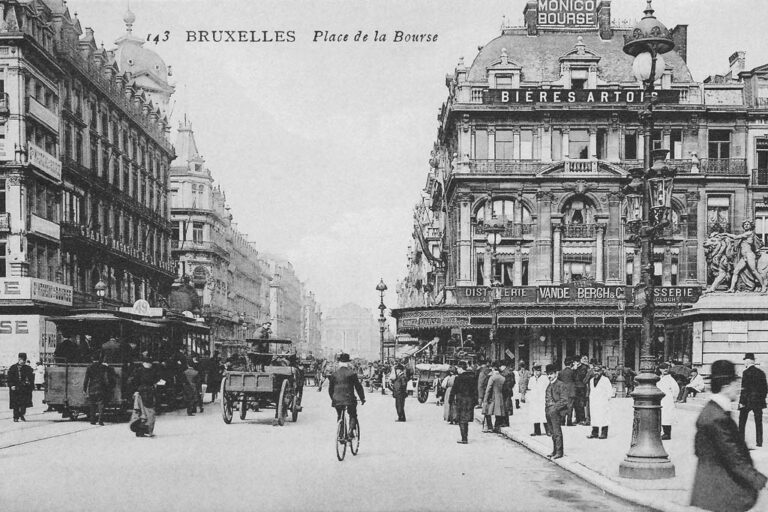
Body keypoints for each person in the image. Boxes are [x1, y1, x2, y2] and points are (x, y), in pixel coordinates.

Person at [691, 360, 768, 512]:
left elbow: (700, 449)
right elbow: (733, 457)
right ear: (726, 386)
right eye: (736, 383)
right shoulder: (717, 417)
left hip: (711, 491)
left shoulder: (712, 411)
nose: (739, 388)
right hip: (720, 494)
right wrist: (759, 480)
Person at [328, 353, 365, 436]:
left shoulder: (334, 374)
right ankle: (351, 431)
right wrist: (362, 398)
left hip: (337, 399)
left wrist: (333, 398)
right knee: (352, 414)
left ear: (339, 363)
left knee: (339, 414)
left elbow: (330, 389)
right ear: (348, 363)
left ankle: (341, 434)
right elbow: (358, 387)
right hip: (349, 399)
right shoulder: (352, 373)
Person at [739, 352, 768, 448]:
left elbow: (744, 389)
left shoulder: (745, 372)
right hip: (758, 401)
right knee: (758, 421)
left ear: (748, 361)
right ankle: (759, 442)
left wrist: (741, 402)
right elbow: (765, 388)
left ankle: (741, 440)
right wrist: (761, 398)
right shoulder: (761, 372)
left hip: (747, 401)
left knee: (742, 420)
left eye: (745, 361)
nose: (744, 363)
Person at [130, 355, 160, 437]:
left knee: (140, 411)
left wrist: (135, 391)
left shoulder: (138, 370)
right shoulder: (153, 371)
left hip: (140, 393)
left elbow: (133, 381)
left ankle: (139, 431)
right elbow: (156, 380)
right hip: (149, 392)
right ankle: (147, 430)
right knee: (150, 412)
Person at [83, 352, 116, 426]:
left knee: (92, 405)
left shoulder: (89, 367)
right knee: (101, 405)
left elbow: (86, 379)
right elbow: (111, 370)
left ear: (92, 359)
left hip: (92, 388)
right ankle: (100, 421)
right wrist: (107, 365)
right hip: (101, 388)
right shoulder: (102, 366)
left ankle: (92, 420)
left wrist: (84, 389)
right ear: (99, 359)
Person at [545, 363, 569, 459]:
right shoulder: (549, 385)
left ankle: (559, 452)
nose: (549, 376)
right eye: (548, 374)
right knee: (552, 432)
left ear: (556, 374)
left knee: (557, 432)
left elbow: (564, 400)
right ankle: (554, 450)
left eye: (551, 374)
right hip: (549, 412)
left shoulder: (560, 385)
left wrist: (554, 408)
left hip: (557, 412)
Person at [451, 360, 477, 444]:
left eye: (458, 368)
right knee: (466, 419)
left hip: (461, 400)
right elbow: (475, 390)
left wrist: (450, 400)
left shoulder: (458, 378)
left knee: (461, 419)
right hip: (470, 400)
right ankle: (465, 437)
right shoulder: (472, 377)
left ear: (461, 368)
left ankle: (464, 438)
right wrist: (475, 401)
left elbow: (454, 390)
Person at [586, 365, 612, 439]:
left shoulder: (605, 380)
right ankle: (594, 432)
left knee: (604, 417)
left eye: (598, 371)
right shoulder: (591, 380)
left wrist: (607, 400)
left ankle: (604, 433)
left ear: (601, 371)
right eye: (595, 371)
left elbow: (609, 391)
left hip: (603, 401)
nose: (596, 373)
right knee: (594, 417)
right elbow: (591, 390)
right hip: (594, 401)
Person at [7, 353, 35, 422]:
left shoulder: (28, 368)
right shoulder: (13, 368)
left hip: (25, 388)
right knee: (16, 403)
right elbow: (9, 378)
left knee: (24, 404)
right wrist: (11, 385)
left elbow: (31, 378)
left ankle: (21, 414)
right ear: (19, 359)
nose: (24, 362)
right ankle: (15, 417)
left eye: (25, 360)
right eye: (22, 360)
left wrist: (31, 386)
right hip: (15, 388)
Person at [657, 362, 679, 440]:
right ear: (660, 369)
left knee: (667, 416)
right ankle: (662, 432)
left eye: (666, 368)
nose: (665, 369)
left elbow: (676, 389)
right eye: (663, 368)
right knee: (662, 415)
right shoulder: (659, 378)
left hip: (668, 399)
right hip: (660, 399)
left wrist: (673, 398)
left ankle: (667, 434)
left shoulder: (670, 378)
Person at [482, 362, 506, 433]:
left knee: (488, 412)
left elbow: (488, 388)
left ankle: (490, 427)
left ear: (493, 369)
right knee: (498, 412)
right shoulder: (503, 378)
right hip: (500, 396)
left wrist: (485, 399)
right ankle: (496, 426)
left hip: (492, 396)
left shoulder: (492, 377)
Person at [527, 365, 549, 436]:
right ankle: (537, 431)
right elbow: (529, 389)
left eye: (538, 371)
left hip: (542, 399)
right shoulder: (532, 379)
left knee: (544, 415)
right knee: (535, 415)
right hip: (534, 400)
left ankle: (548, 431)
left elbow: (548, 388)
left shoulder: (545, 378)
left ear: (540, 371)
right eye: (535, 371)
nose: (536, 373)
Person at [558, 357, 576, 426]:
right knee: (570, 406)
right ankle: (569, 421)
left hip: (563, 391)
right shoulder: (573, 372)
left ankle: (562, 421)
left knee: (563, 406)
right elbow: (575, 380)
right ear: (571, 364)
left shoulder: (561, 372)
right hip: (571, 391)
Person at [573, 355, 589, 425]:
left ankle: (582, 419)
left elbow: (581, 377)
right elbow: (572, 377)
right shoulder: (574, 368)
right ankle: (577, 418)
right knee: (576, 403)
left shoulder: (584, 367)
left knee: (581, 403)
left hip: (582, 388)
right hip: (575, 387)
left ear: (578, 361)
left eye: (575, 361)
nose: (574, 363)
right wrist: (574, 369)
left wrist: (576, 369)